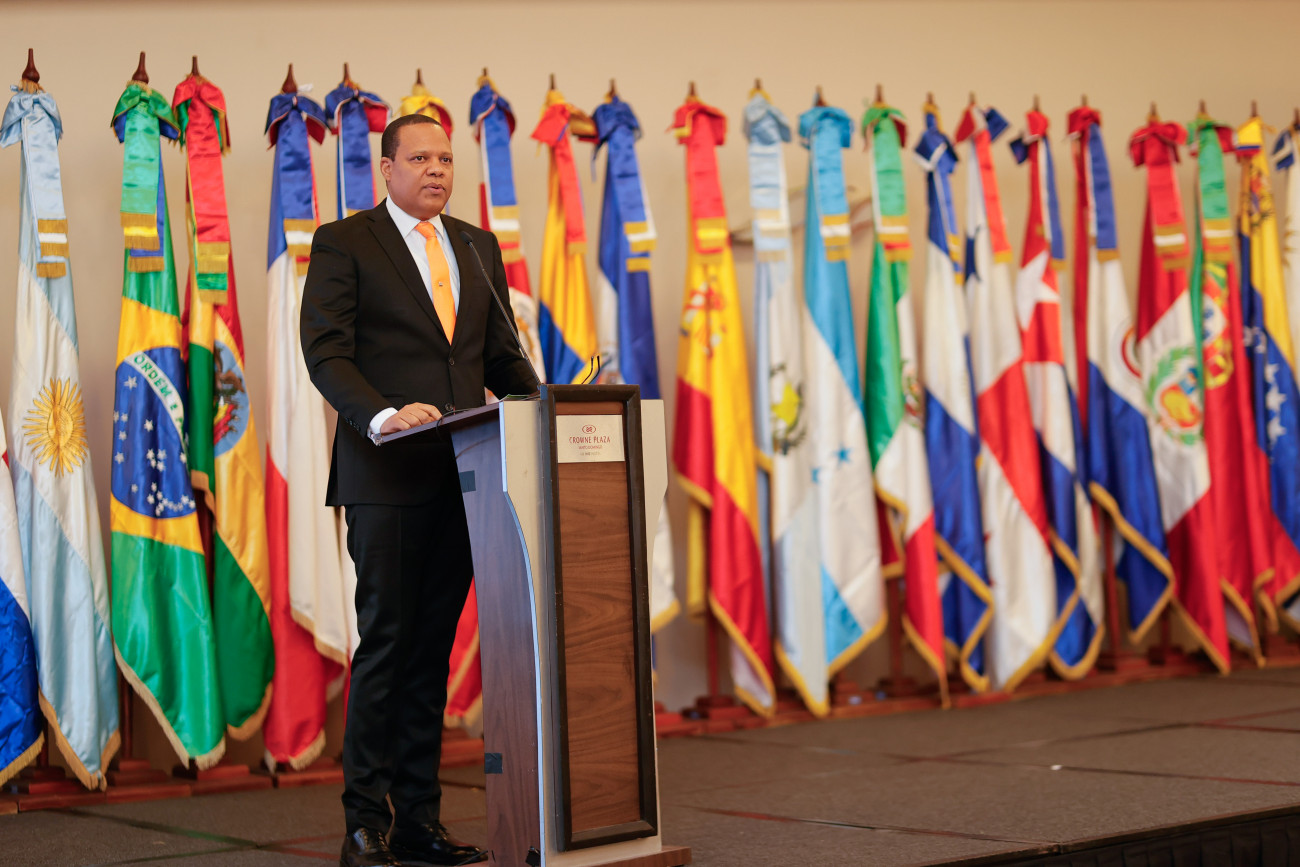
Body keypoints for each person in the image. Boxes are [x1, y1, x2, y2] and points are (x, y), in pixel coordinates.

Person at [301, 113, 539, 867]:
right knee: (389, 647)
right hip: (387, 474)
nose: (437, 170)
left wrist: (547, 410)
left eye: (446, 158)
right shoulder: (346, 242)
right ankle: (364, 824)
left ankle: (419, 823)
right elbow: (326, 351)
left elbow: (499, 356)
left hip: (466, 480)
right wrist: (382, 415)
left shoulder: (476, 245)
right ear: (387, 167)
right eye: (420, 158)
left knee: (432, 651)